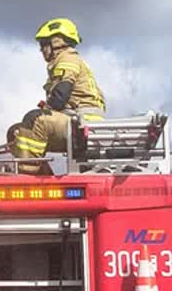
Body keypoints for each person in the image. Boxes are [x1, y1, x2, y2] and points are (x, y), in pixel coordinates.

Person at [6, 17, 106, 174]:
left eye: (43, 44)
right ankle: (42, 176)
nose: (41, 50)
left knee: (35, 120)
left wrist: (46, 109)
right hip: (77, 123)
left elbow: (60, 96)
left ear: (57, 42)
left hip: (82, 124)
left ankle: (30, 176)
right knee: (16, 132)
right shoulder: (68, 60)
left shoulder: (67, 58)